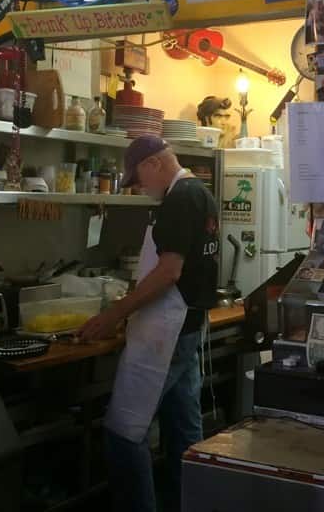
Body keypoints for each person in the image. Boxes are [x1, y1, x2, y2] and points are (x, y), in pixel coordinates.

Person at [79, 136, 219, 512]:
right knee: (184, 429)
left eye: (139, 179)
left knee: (124, 431)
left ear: (153, 163)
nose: (141, 188)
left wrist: (115, 313)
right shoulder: (200, 193)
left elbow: (169, 271)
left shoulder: (178, 200)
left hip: (166, 330)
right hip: (189, 326)